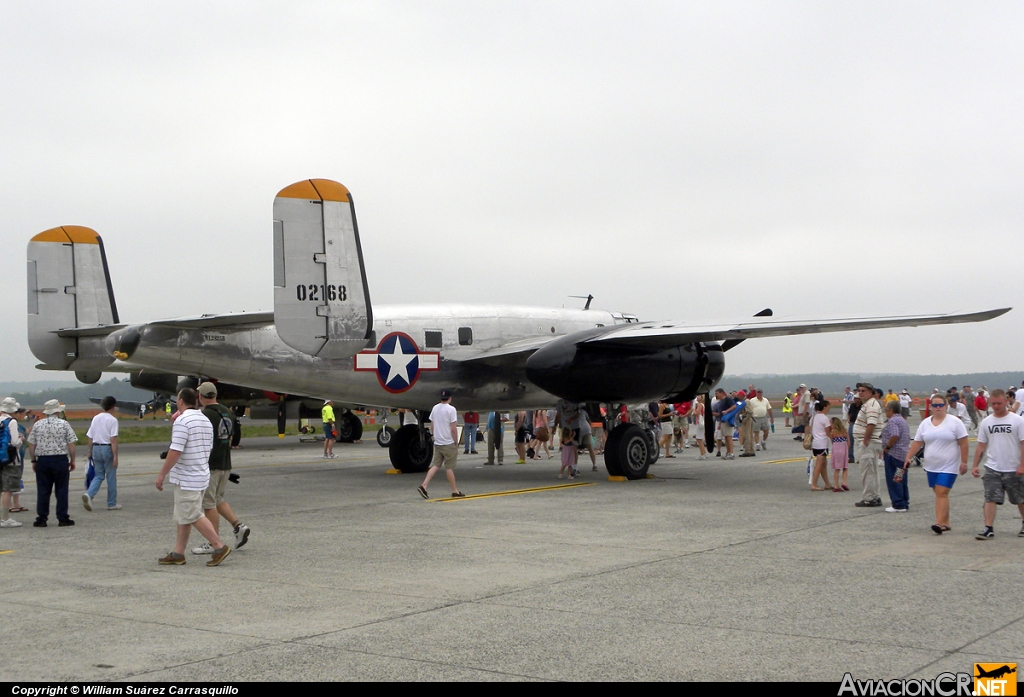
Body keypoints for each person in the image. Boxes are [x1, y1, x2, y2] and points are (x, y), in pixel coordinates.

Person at [155, 388, 231, 566]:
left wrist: (162, 474)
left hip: (187, 477)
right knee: (184, 515)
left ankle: (219, 546)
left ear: (180, 401)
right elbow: (209, 447)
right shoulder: (204, 419)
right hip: (201, 474)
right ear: (196, 400)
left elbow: (175, 450)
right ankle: (178, 553)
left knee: (193, 514)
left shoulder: (183, 421)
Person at [192, 383, 251, 555]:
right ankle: (238, 527)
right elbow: (231, 437)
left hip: (211, 465)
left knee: (208, 504)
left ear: (200, 397)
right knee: (218, 498)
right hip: (226, 462)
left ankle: (213, 541)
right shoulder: (227, 412)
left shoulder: (205, 415)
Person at [904, 394, 968, 535]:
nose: (938, 408)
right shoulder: (925, 423)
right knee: (939, 494)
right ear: (931, 407)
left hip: (949, 465)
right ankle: (946, 521)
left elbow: (963, 442)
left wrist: (964, 462)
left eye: (940, 405)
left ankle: (939, 523)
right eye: (935, 405)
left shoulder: (955, 422)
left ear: (946, 406)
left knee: (942, 492)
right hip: (931, 465)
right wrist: (908, 457)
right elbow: (918, 442)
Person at [970, 389, 1024, 540]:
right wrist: (975, 465)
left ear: (1006, 401)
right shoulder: (986, 422)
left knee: (1020, 498)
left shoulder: (1017, 421)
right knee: (990, 497)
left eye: (999, 403)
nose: (996, 406)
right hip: (993, 467)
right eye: (993, 404)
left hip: (1013, 467)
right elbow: (981, 445)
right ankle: (988, 527)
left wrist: (1022, 465)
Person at [27, 399, 77, 528]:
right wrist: (72, 460)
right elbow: (71, 444)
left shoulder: (38, 425)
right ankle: (62, 517)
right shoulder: (64, 424)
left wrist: (33, 460)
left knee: (43, 490)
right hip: (60, 459)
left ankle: (42, 518)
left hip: (43, 460)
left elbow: (31, 445)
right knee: (61, 489)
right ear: (57, 411)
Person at [417, 390, 463, 499]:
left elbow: (432, 425)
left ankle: (424, 485)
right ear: (450, 398)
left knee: (436, 465)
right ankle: (454, 490)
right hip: (448, 442)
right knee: (449, 467)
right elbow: (453, 428)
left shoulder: (435, 408)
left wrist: (435, 436)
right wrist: (456, 441)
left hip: (438, 441)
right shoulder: (451, 410)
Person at [82, 396, 120, 512]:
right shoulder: (113, 420)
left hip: (96, 448)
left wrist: (90, 451)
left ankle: (89, 494)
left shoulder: (96, 418)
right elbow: (113, 439)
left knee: (98, 475)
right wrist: (115, 456)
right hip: (107, 448)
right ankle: (111, 503)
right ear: (113, 406)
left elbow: (90, 437)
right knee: (111, 477)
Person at [852, 383, 883, 508]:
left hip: (869, 442)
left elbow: (871, 423)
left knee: (867, 471)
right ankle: (875, 495)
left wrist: (866, 438)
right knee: (873, 470)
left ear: (871, 392)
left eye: (863, 390)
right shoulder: (869, 404)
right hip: (870, 441)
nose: (860, 393)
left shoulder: (871, 405)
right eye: (859, 390)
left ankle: (869, 498)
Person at [880, 400, 910, 512]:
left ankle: (897, 503)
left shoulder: (892, 421)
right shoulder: (902, 420)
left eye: (886, 409)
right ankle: (904, 501)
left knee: (893, 479)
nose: (885, 412)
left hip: (894, 455)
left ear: (891, 410)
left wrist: (887, 447)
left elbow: (895, 435)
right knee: (900, 479)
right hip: (903, 455)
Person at [1, 398, 25, 527]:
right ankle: (5, 519)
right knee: (8, 490)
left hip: (0, 459)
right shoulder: (12, 422)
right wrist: (21, 439)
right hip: (11, 459)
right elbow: (15, 442)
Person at [809, 400, 832, 491]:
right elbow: (828, 432)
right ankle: (814, 484)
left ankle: (827, 483)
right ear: (825, 407)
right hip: (822, 443)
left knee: (823, 464)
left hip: (815, 443)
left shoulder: (814, 417)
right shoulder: (825, 419)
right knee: (819, 465)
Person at [712, 388, 737, 460]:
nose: (716, 395)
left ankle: (731, 453)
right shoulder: (720, 401)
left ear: (722, 393)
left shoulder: (727, 399)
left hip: (728, 420)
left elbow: (734, 406)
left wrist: (727, 411)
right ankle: (728, 452)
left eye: (717, 393)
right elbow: (720, 414)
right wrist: (719, 423)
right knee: (726, 437)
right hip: (722, 421)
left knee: (729, 437)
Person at [829, 416, 849, 492]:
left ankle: (836, 485)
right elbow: (848, 442)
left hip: (836, 450)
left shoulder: (832, 432)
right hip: (844, 449)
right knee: (845, 467)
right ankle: (844, 482)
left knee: (837, 469)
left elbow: (832, 441)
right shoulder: (844, 431)